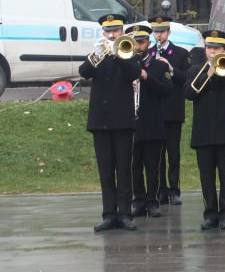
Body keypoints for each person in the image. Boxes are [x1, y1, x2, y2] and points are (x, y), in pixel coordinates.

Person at [78, 13, 143, 232]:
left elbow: (134, 74)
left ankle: (124, 214)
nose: (112, 35)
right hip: (100, 120)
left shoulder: (129, 52)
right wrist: (96, 54)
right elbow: (83, 73)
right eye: (108, 31)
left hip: (122, 120)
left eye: (115, 31)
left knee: (124, 169)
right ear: (103, 32)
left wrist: (118, 55)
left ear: (122, 32)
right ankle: (109, 214)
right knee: (105, 171)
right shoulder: (98, 53)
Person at [185, 29, 225, 230]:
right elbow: (189, 94)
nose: (212, 52)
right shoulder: (195, 70)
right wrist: (209, 72)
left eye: (217, 48)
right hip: (204, 132)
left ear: (224, 50)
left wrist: (224, 73)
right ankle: (210, 213)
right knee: (206, 176)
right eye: (209, 48)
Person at [127, 25, 172, 219]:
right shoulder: (124, 65)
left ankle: (153, 202)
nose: (138, 46)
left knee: (153, 166)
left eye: (142, 42)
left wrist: (146, 77)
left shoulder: (159, 65)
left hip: (153, 123)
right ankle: (138, 201)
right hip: (131, 124)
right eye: (135, 42)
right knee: (134, 166)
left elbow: (166, 90)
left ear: (148, 42)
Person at [149, 15, 191, 206]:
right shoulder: (148, 53)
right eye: (156, 31)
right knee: (157, 153)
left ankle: (174, 190)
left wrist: (171, 69)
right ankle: (161, 190)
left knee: (173, 153)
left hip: (173, 109)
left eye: (162, 31)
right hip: (155, 110)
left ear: (168, 32)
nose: (159, 35)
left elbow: (187, 79)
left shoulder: (181, 54)